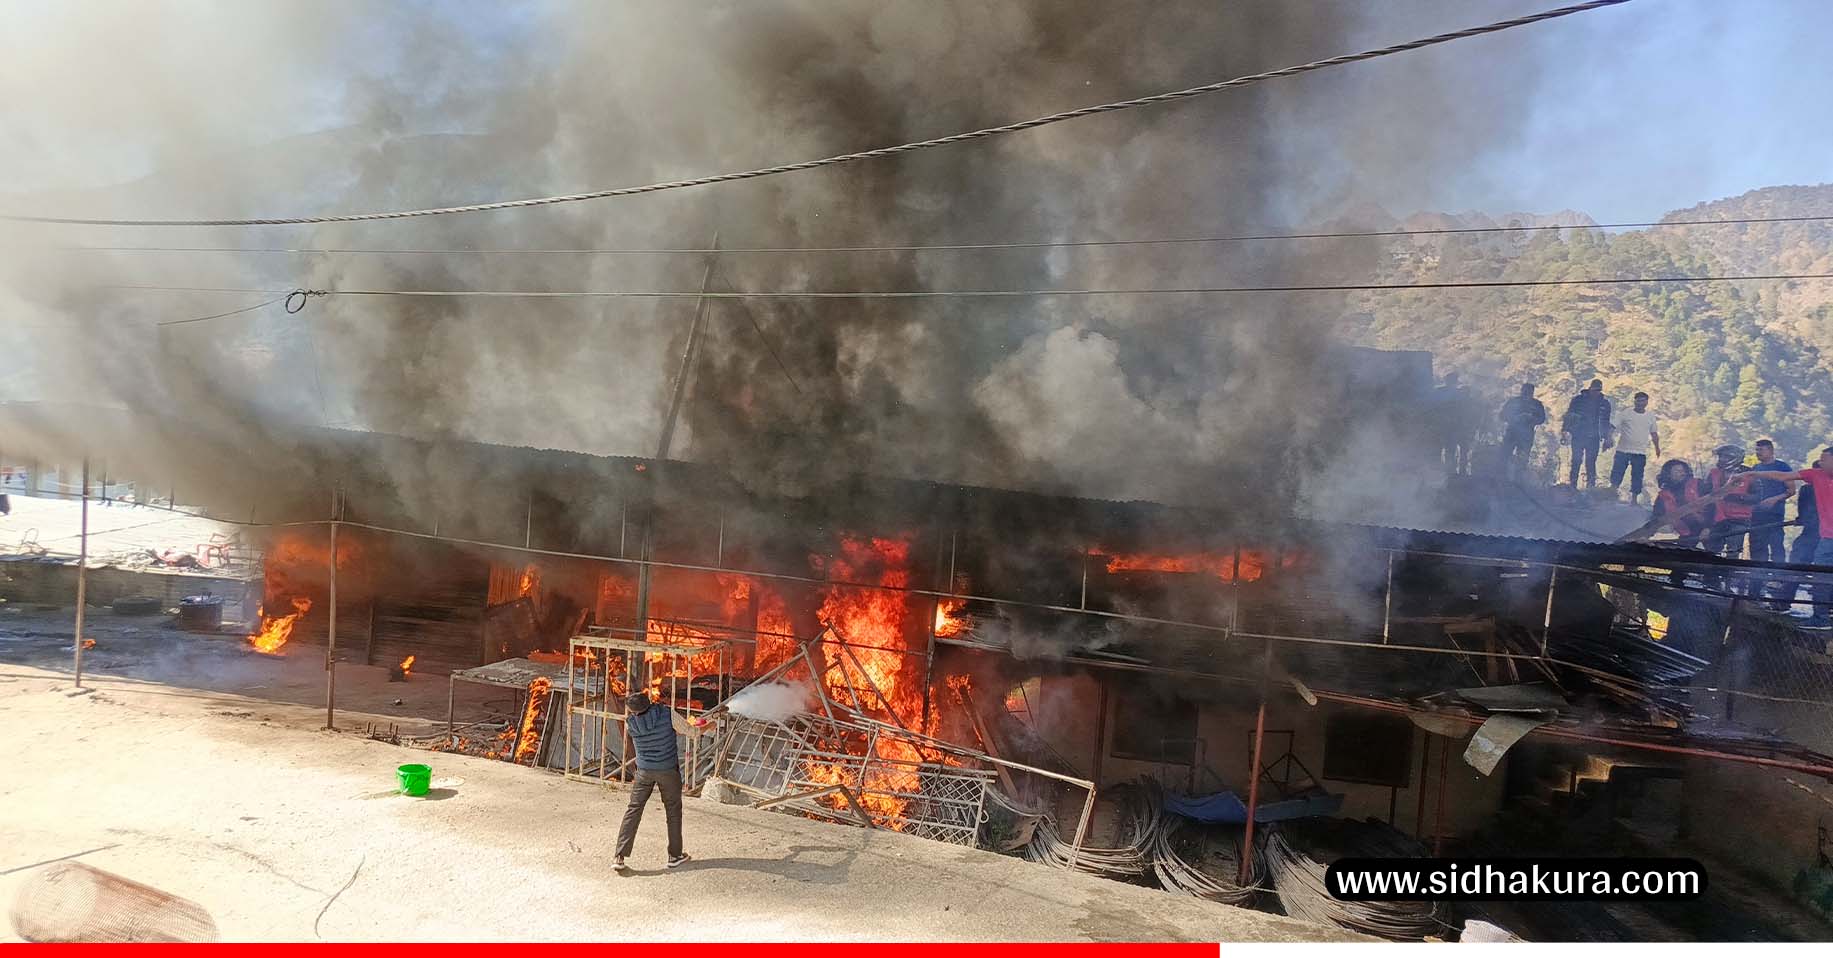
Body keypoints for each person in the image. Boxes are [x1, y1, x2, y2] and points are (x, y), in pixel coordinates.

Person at [1732, 448, 1833, 629]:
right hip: (1827, 538)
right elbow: (1782, 476)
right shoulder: (1816, 475)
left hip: (1825, 538)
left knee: (1822, 575)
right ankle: (1821, 617)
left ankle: (1822, 616)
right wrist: (1752, 472)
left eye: (1825, 459)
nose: (1821, 463)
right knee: (1821, 575)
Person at [613, 691, 696, 870]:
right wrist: (708, 725)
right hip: (668, 770)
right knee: (673, 811)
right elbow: (691, 732)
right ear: (649, 702)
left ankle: (619, 856)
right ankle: (675, 856)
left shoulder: (630, 723)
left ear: (632, 710)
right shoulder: (667, 714)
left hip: (644, 771)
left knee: (633, 810)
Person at [1702, 444, 1755, 560]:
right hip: (1717, 518)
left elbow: (1757, 497)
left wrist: (1736, 497)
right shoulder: (1714, 473)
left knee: (1733, 551)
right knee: (1711, 551)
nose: (1721, 460)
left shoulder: (1749, 474)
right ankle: (1710, 576)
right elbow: (1706, 498)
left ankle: (1730, 576)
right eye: (1720, 457)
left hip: (1739, 519)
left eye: (1724, 457)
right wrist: (1707, 524)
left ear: (1734, 458)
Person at [1608, 391, 1660, 504]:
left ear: (1647, 402)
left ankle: (1634, 500)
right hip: (1623, 450)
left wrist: (1657, 447)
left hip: (1640, 451)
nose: (1641, 403)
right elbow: (1612, 426)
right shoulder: (1626, 413)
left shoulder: (1650, 416)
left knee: (1637, 475)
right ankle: (1611, 496)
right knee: (1617, 473)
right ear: (1634, 401)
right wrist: (1609, 438)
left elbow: (1654, 433)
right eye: (1638, 400)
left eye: (1643, 400)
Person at [1747, 439, 1794, 564]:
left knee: (1776, 545)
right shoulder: (1756, 468)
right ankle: (1757, 577)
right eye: (1756, 450)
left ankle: (1778, 577)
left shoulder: (1782, 467)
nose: (1758, 453)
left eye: (1761, 450)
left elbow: (1791, 490)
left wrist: (1774, 499)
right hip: (1757, 515)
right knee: (1757, 546)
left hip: (1775, 514)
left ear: (1770, 450)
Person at [1561, 379, 1613, 488]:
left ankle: (1590, 488)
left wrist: (1608, 437)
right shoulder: (1578, 400)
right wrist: (1565, 431)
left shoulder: (1604, 403)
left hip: (1594, 437)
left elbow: (1606, 421)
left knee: (1591, 463)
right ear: (1590, 388)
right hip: (1578, 435)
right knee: (1576, 461)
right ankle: (1572, 487)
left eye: (1598, 390)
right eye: (1594, 389)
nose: (1596, 392)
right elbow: (1569, 416)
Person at [1652, 459, 1709, 549]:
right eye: (1677, 471)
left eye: (1683, 471)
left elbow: (1714, 505)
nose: (1682, 473)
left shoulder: (1699, 484)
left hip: (1712, 531)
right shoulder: (1663, 496)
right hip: (1687, 535)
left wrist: (1708, 528)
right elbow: (1656, 518)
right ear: (1668, 474)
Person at [1499, 383, 1547, 480]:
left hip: (1526, 435)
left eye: (1529, 391)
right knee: (1505, 455)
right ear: (1522, 391)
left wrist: (1531, 418)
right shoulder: (1513, 402)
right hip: (1512, 433)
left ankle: (1519, 480)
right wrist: (1515, 418)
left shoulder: (1536, 404)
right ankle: (1501, 477)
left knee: (1523, 458)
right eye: (1525, 391)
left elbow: (1541, 419)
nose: (1527, 393)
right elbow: (1502, 416)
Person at [1434, 373, 1477, 476]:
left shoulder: (1440, 392)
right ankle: (1456, 471)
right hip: (1453, 426)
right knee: (1455, 449)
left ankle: (1453, 471)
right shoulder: (1457, 393)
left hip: (1455, 426)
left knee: (1454, 449)